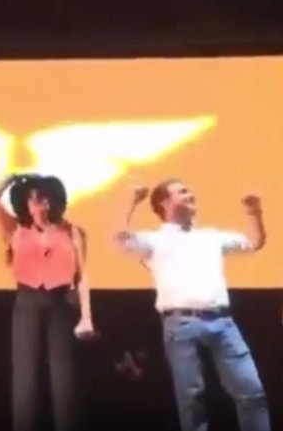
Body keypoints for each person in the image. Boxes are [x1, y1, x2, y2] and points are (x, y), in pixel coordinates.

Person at [115, 179, 269, 431]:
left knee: (251, 392)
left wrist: (254, 213)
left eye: (189, 191)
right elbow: (120, 240)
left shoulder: (211, 237)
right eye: (182, 192)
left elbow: (254, 242)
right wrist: (131, 202)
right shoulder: (154, 240)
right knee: (192, 400)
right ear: (164, 203)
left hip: (222, 322)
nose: (190, 195)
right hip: (181, 324)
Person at [0, 173, 94, 431]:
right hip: (28, 304)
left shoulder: (72, 231)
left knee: (64, 377)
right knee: (26, 376)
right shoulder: (15, 230)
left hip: (61, 304)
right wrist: (14, 177)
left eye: (45, 199)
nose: (40, 205)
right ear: (25, 204)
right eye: (33, 200)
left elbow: (82, 276)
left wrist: (86, 316)